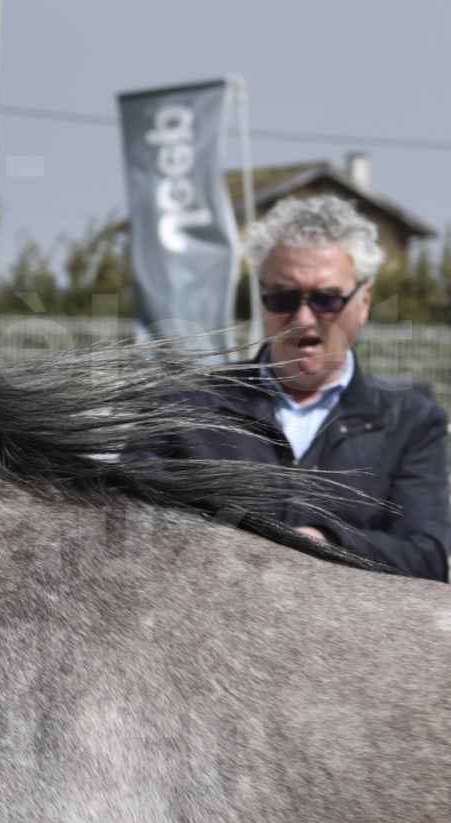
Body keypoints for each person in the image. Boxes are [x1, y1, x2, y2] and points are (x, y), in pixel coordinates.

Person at [147, 194, 448, 581]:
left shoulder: (410, 421)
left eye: (326, 299)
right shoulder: (185, 407)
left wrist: (324, 543)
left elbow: (426, 558)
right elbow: (120, 531)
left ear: (365, 300)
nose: (304, 319)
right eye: (283, 298)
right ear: (260, 297)